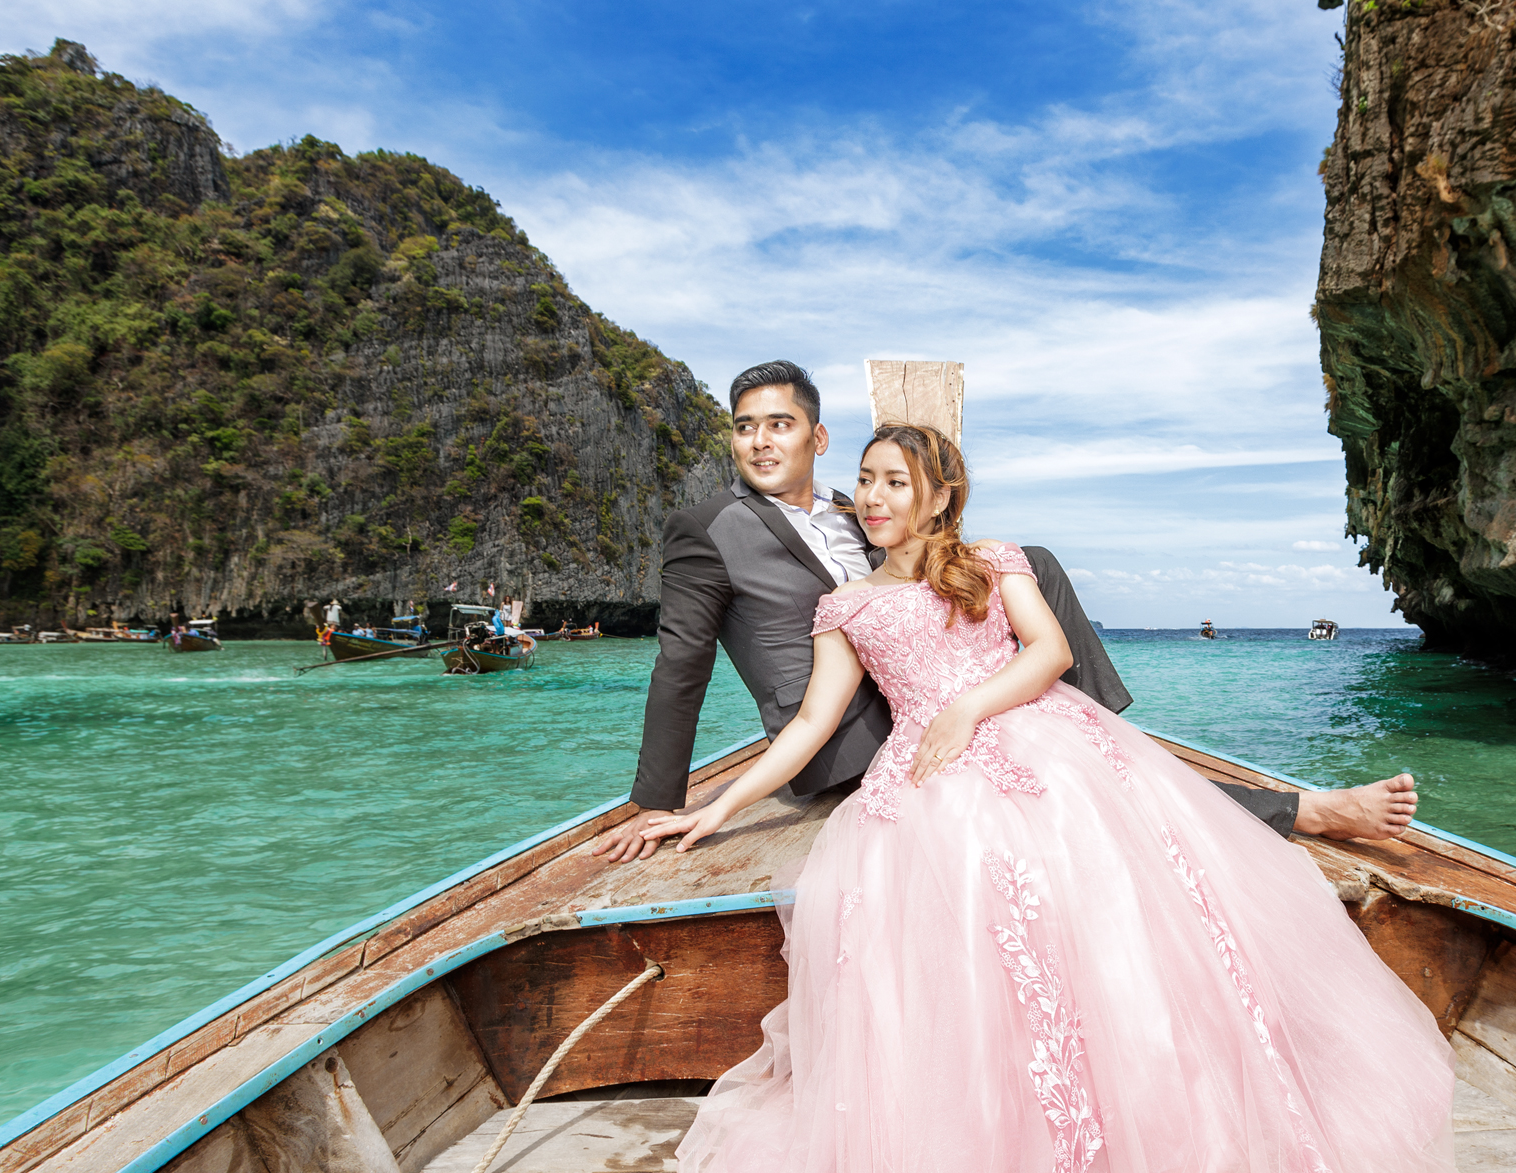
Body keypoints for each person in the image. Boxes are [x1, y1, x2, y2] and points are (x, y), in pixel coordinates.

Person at [636, 424, 1469, 1173]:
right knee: (946, 911)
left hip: (1034, 741)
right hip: (925, 792)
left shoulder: (995, 563)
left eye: (896, 482)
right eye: (864, 482)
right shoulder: (842, 604)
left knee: (1110, 876)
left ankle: (1165, 1120)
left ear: (941, 495)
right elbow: (811, 726)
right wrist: (707, 811)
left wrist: (966, 710)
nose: (875, 497)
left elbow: (1052, 652)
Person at [584, 360, 1419, 864]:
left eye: (780, 425)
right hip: (840, 731)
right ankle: (1119, 743)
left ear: (817, 437)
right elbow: (681, 663)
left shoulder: (856, 506)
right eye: (744, 429)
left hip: (916, 692)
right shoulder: (708, 528)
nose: (762, 442)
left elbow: (929, 587)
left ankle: (1083, 724)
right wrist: (658, 805)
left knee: (1035, 573)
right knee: (1063, 736)